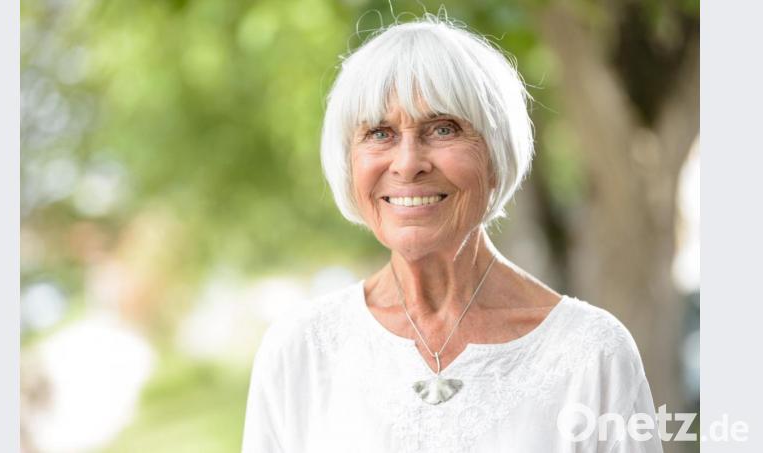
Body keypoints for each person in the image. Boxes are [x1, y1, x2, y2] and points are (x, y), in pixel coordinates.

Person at [242, 16, 663, 453]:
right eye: (379, 133)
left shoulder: (591, 354)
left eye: (443, 129)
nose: (408, 164)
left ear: (496, 154)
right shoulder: (300, 351)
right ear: (349, 166)